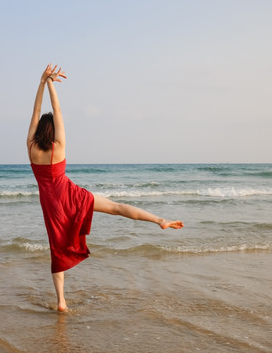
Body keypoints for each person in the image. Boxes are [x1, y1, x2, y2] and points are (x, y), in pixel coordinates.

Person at [27, 64, 184, 312]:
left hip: (50, 205)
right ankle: (159, 220)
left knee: (56, 249)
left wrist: (41, 81)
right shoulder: (60, 144)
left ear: (38, 131)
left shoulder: (31, 148)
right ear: (54, 129)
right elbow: (56, 109)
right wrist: (50, 83)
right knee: (116, 207)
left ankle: (61, 302)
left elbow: (37, 111)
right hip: (71, 196)